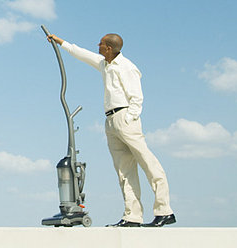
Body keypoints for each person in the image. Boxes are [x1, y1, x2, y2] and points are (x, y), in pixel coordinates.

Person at [47, 33, 176, 227]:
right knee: (124, 170)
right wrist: (60, 42)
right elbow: (82, 54)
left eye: (100, 43)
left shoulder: (126, 67)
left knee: (148, 163)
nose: (97, 45)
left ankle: (164, 211)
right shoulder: (104, 64)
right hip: (110, 120)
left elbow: (137, 98)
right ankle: (132, 216)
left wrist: (128, 118)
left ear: (108, 48)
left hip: (125, 119)